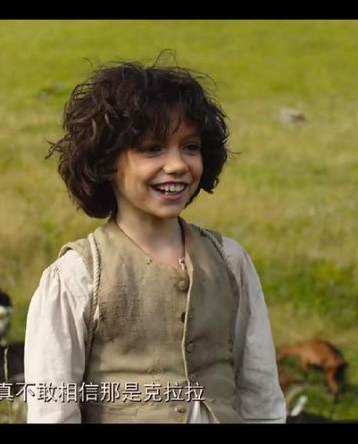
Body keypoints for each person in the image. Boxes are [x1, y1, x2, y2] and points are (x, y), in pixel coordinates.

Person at [24, 54, 286, 423]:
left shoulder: (229, 260)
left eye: (190, 147)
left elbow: (260, 389)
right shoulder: (77, 277)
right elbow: (52, 409)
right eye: (152, 148)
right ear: (107, 162)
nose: (177, 165)